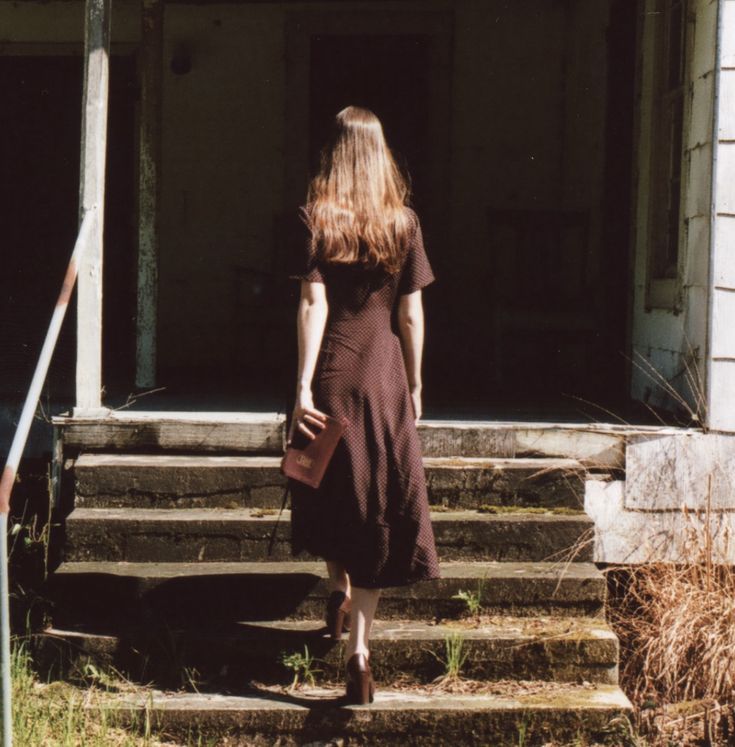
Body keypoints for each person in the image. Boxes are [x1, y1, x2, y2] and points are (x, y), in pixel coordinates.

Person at [285, 105, 441, 705]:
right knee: (376, 502)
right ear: (381, 155)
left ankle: (338, 589)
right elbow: (410, 313)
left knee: (327, 487)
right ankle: (360, 654)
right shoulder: (404, 224)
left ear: (334, 153)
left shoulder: (315, 219)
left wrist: (302, 387)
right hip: (383, 377)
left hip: (332, 374)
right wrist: (417, 382)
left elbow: (312, 307)